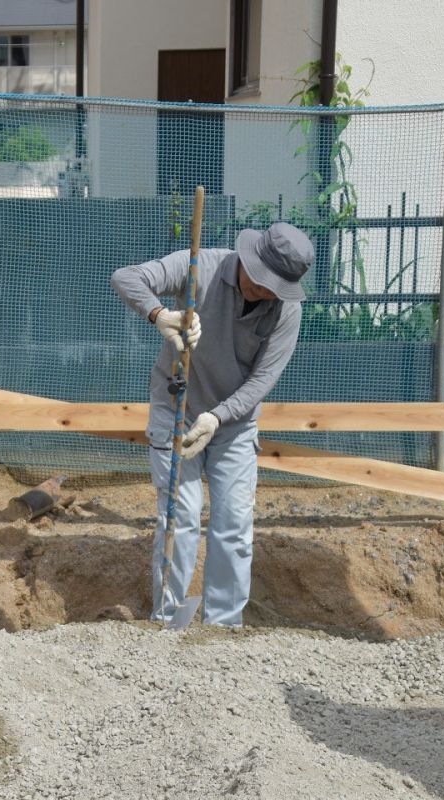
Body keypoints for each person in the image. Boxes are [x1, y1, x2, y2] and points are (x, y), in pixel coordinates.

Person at [110, 222, 314, 626]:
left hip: (233, 423)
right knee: (180, 514)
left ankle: (222, 625)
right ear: (248, 259)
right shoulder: (200, 268)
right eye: (260, 280)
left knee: (234, 522)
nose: (263, 291)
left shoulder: (287, 310)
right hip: (177, 409)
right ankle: (168, 618)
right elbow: (126, 276)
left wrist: (217, 417)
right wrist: (161, 314)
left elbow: (261, 381)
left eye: (274, 287)